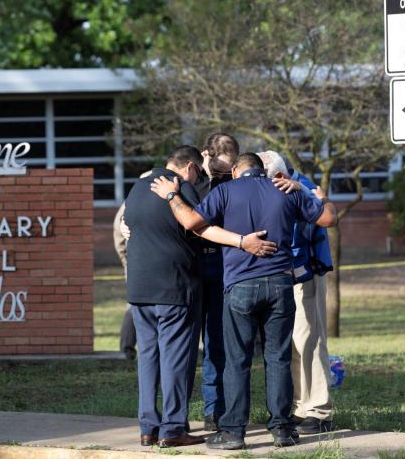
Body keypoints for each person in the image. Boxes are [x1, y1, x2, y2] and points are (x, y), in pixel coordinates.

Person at [149, 152, 337, 450]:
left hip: (240, 287)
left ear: (236, 170)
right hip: (281, 284)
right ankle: (282, 429)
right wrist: (320, 196)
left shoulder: (225, 190)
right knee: (279, 358)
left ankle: (234, 432)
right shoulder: (285, 189)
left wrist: (171, 195)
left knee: (237, 360)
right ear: (263, 170)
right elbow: (328, 219)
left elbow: (191, 221)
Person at [125, 146, 277, 448]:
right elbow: (201, 226)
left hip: (139, 288)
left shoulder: (137, 188)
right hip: (174, 287)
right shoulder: (181, 188)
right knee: (175, 359)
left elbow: (130, 226)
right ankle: (172, 429)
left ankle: (148, 427)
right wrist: (241, 241)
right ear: (191, 167)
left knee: (148, 358)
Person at [257, 151, 334, 435]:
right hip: (281, 276)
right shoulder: (281, 185)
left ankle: (318, 411)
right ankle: (300, 407)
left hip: (305, 274)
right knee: (290, 344)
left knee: (309, 341)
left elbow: (325, 217)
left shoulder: (302, 187)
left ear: (279, 176)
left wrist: (303, 191)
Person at [195, 133, 239, 431]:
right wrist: (206, 178)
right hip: (193, 266)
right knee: (186, 342)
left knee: (217, 340)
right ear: (206, 157)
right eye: (219, 169)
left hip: (224, 264)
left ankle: (215, 409)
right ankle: (175, 414)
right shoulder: (190, 183)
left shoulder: (235, 184)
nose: (224, 175)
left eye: (229, 170)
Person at [113, 202, 137, 360]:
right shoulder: (131, 202)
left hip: (135, 260)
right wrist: (125, 260)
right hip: (134, 261)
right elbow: (119, 233)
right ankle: (126, 349)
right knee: (133, 305)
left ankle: (126, 349)